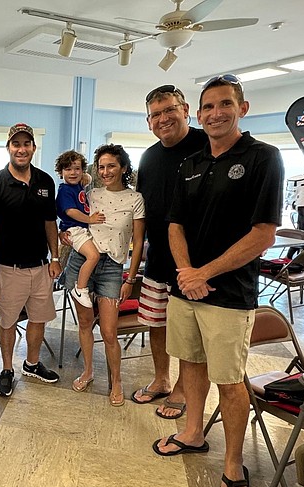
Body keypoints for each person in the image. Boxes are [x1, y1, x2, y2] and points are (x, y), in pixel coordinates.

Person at [153, 75, 283, 487]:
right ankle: (192, 433)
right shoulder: (189, 161)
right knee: (189, 363)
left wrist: (202, 272)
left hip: (229, 295)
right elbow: (174, 225)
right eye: (208, 107)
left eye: (224, 104)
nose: (215, 114)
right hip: (185, 288)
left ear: (242, 108)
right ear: (199, 113)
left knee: (229, 380)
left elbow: (264, 234)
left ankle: (232, 464)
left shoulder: (264, 157)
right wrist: (186, 272)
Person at [130, 85, 208, 420]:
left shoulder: (208, 145)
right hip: (158, 258)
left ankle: (183, 389)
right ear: (148, 122)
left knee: (189, 332)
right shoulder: (148, 157)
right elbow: (143, 209)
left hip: (196, 263)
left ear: (186, 109)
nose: (164, 119)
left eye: (169, 110)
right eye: (156, 114)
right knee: (157, 323)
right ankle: (162, 379)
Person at [66, 144, 145, 407]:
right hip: (83, 263)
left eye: (111, 165)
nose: (106, 171)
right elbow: (70, 218)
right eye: (101, 166)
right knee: (85, 323)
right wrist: (62, 236)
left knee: (110, 332)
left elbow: (138, 240)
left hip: (112, 267)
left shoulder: (135, 199)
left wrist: (130, 279)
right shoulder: (90, 193)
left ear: (123, 168)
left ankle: (117, 380)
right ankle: (88, 371)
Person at [0, 123, 61, 397]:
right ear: (8, 148)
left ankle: (31, 364)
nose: (21, 149)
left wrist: (55, 257)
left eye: (26, 144)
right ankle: (7, 369)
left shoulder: (45, 181)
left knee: (39, 319)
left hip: (41, 266)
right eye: (16, 144)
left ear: (33, 147)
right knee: (7, 322)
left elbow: (49, 222)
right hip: (8, 268)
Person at [55, 150, 105, 309]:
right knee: (93, 256)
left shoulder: (77, 185)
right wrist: (90, 219)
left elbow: (88, 178)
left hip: (82, 228)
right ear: (61, 172)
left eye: (77, 168)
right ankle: (80, 288)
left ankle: (82, 286)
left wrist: (84, 176)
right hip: (74, 229)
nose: (73, 172)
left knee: (94, 255)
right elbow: (71, 211)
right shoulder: (65, 190)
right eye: (68, 169)